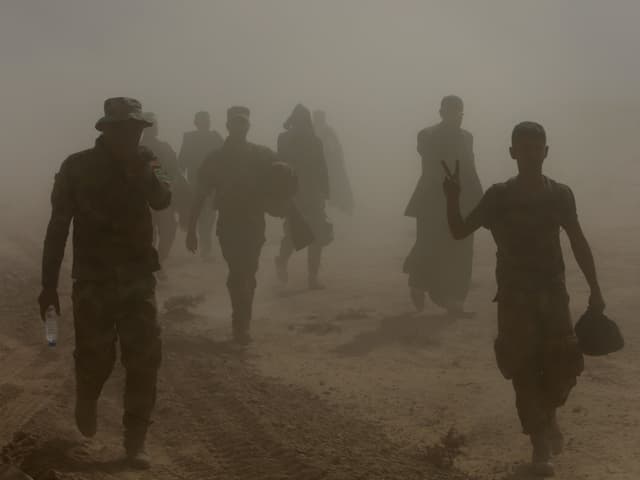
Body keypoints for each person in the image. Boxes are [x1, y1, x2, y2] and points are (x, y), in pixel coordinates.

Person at [442, 121, 605, 476]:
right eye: (524, 148)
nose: (530, 155)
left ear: (546, 152)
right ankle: (540, 445)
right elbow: (459, 231)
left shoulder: (560, 194)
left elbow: (577, 240)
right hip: (516, 298)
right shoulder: (499, 196)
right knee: (524, 367)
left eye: (537, 148)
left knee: (562, 365)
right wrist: (452, 198)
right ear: (512, 153)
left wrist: (595, 288)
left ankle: (548, 420)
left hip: (553, 294)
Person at [38, 97, 171, 469]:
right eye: (125, 129)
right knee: (96, 357)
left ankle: (135, 441)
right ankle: (87, 394)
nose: (133, 135)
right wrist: (48, 285)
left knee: (144, 359)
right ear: (107, 130)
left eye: (137, 129)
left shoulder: (150, 161)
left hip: (137, 279)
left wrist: (145, 174)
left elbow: (165, 198)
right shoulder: (75, 167)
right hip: (93, 280)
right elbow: (57, 226)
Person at [186, 106, 294, 345]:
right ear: (228, 126)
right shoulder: (214, 156)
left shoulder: (261, 155)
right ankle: (241, 325)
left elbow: (284, 176)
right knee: (238, 272)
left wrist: (286, 198)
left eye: (243, 123)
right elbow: (198, 190)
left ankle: (243, 320)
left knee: (249, 272)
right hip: (229, 222)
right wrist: (191, 226)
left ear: (248, 126)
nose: (240, 127)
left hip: (254, 222)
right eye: (235, 123)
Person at [404, 95, 483, 315]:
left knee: (463, 249)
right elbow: (431, 164)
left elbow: (471, 169)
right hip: (433, 202)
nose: (456, 117)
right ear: (441, 113)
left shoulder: (467, 138)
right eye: (450, 112)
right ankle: (418, 284)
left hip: (463, 201)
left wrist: (481, 202)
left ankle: (455, 300)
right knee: (429, 246)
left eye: (459, 113)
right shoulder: (427, 135)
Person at [275, 104, 332, 290]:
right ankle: (282, 263)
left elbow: (322, 167)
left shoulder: (314, 141)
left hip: (311, 193)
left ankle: (311, 277)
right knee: (294, 233)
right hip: (293, 193)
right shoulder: (285, 139)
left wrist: (325, 191)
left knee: (316, 234)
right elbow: (279, 166)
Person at [140, 112, 188, 276]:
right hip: (143, 200)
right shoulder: (135, 149)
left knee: (168, 231)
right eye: (151, 126)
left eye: (155, 126)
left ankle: (158, 263)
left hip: (164, 197)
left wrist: (173, 188)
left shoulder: (164, 147)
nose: (154, 129)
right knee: (149, 235)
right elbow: (157, 169)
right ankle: (152, 267)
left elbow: (175, 169)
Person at [178, 111, 224, 261]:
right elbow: (181, 163)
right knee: (202, 214)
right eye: (204, 120)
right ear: (197, 122)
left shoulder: (214, 137)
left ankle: (205, 246)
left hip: (210, 183)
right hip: (196, 183)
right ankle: (204, 245)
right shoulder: (191, 138)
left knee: (207, 215)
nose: (207, 122)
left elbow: (226, 157)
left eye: (207, 119)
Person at [312, 109, 354, 214]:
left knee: (330, 189)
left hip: (326, 167)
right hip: (319, 168)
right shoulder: (315, 131)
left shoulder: (326, 132)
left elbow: (334, 150)